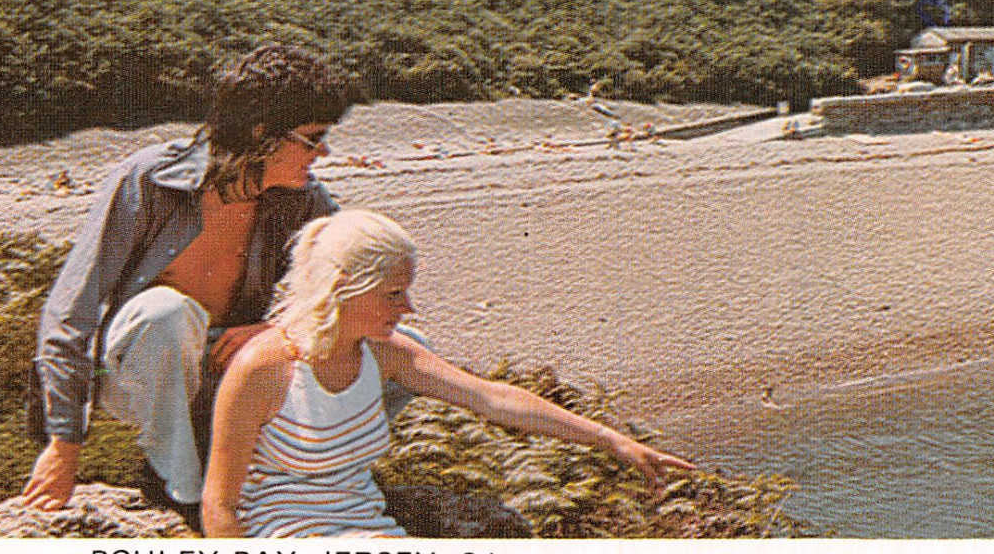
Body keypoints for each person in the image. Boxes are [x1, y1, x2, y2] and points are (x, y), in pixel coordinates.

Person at [201, 210, 694, 537]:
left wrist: (613, 441)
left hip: (370, 534)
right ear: (343, 287)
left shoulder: (385, 354)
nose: (409, 307)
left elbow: (492, 398)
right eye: (394, 293)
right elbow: (219, 506)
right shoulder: (264, 368)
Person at [23, 45, 354, 515]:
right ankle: (182, 492)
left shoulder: (303, 198)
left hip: (230, 371)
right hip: (134, 371)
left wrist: (282, 329)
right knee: (167, 312)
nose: (324, 151)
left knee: (393, 337)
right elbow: (69, 314)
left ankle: (314, 476)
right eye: (312, 137)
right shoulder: (150, 180)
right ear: (261, 133)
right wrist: (63, 445)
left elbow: (358, 280)